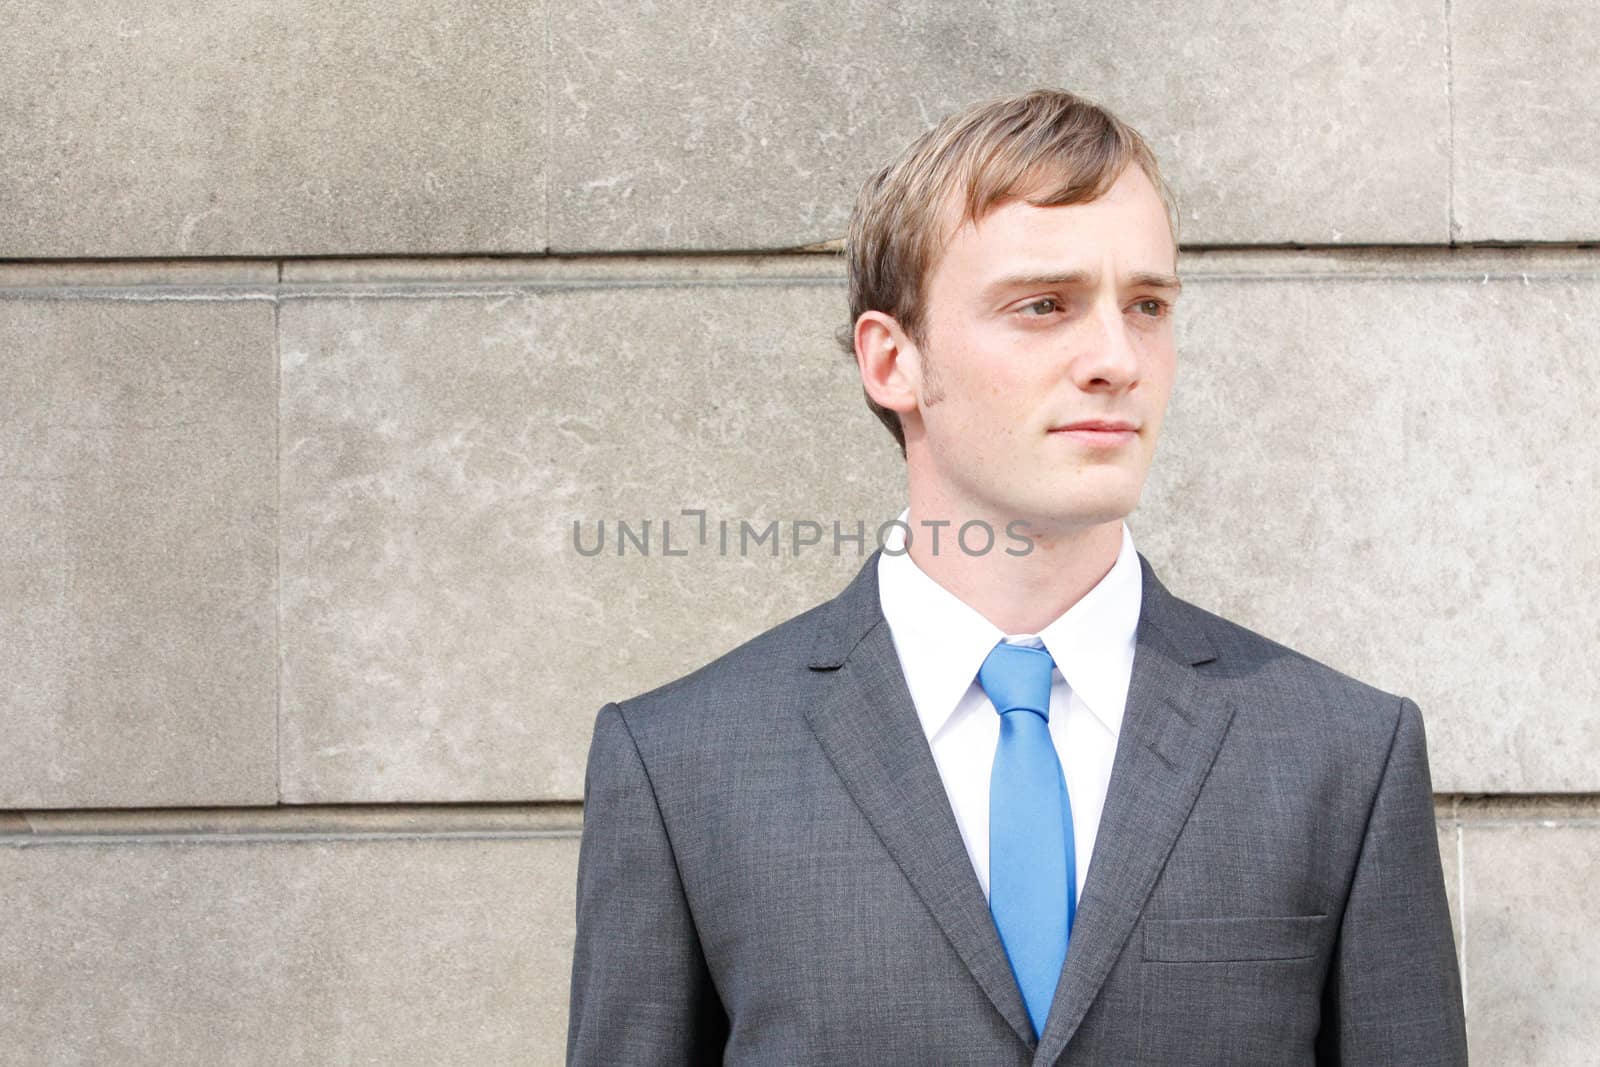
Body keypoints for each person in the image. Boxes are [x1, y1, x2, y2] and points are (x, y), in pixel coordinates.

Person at [566, 89, 1467, 1065]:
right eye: (1044, 304)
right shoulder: (683, 767)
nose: (1117, 359)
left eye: (1148, 306)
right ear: (893, 359)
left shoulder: (1342, 756)